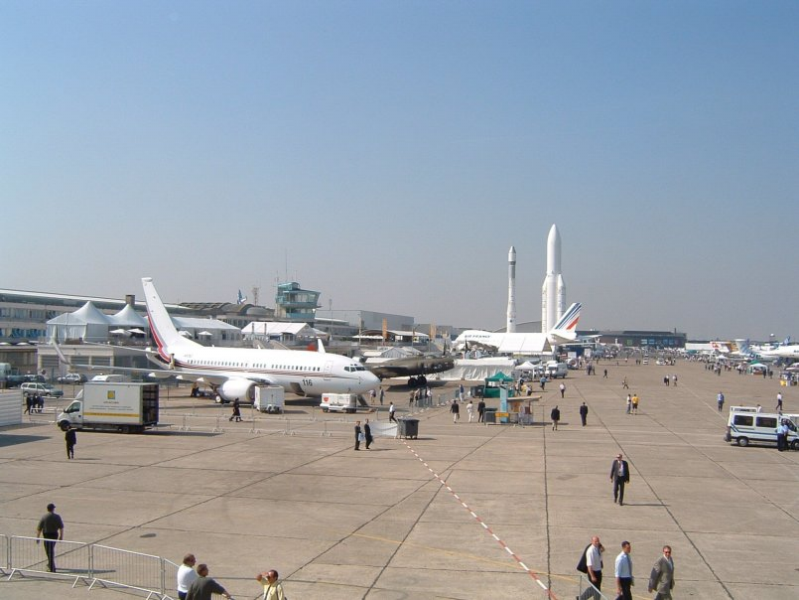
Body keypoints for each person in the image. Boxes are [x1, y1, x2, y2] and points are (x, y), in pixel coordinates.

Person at [36, 503, 64, 572]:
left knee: (49, 551)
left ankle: (52, 567)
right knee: (50, 550)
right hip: (54, 535)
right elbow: (61, 527)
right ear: (53, 509)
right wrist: (61, 536)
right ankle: (50, 564)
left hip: (47, 535)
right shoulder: (57, 517)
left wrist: (38, 537)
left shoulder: (44, 517)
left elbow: (39, 528)